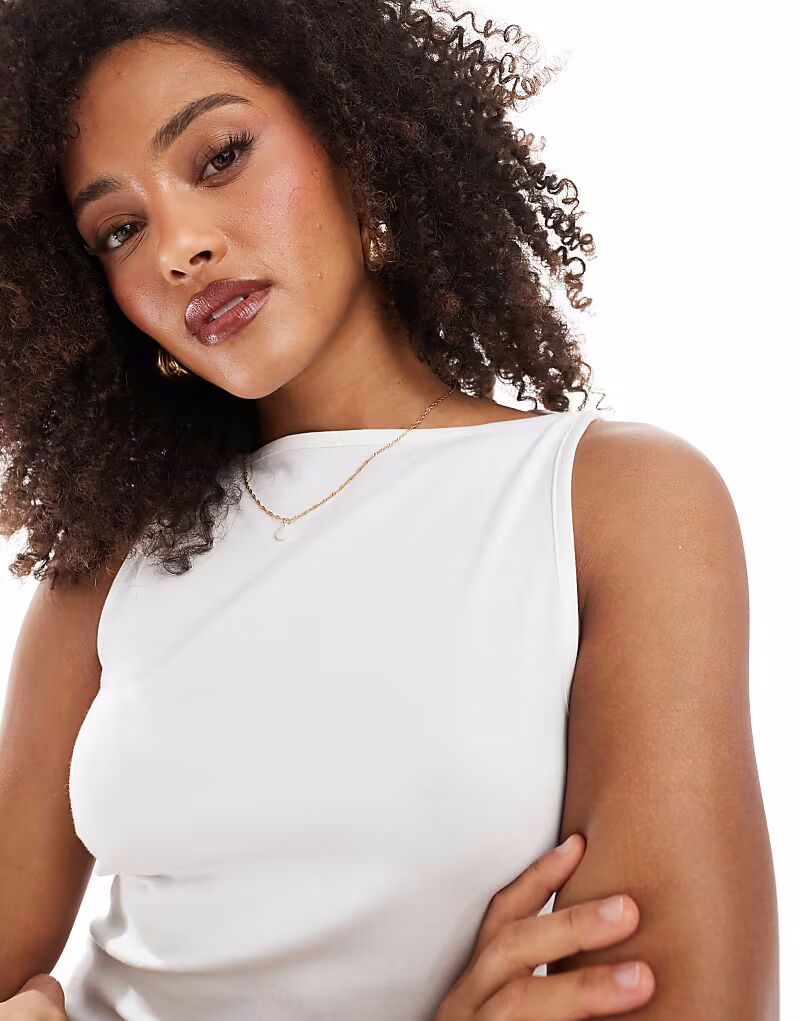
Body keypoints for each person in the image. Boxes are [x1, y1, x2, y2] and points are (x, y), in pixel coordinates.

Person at [0, 1, 778, 1019]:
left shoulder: (605, 500)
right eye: (120, 229)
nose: (178, 249)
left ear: (354, 141)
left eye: (221, 156)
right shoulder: (114, 562)